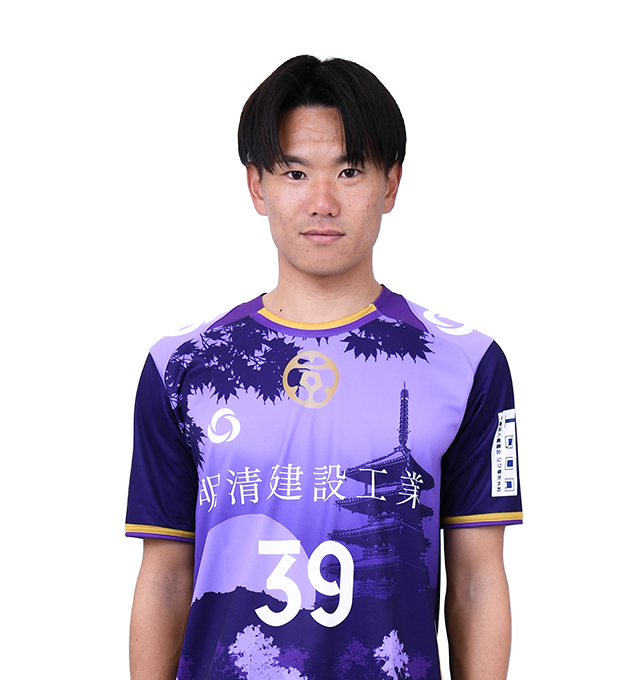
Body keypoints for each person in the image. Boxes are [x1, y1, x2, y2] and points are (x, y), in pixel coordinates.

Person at [125, 54, 523, 680]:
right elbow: (166, 577)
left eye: (349, 170)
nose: (322, 201)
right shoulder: (181, 365)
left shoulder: (466, 362)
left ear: (390, 185)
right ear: (257, 186)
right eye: (294, 172)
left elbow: (476, 579)